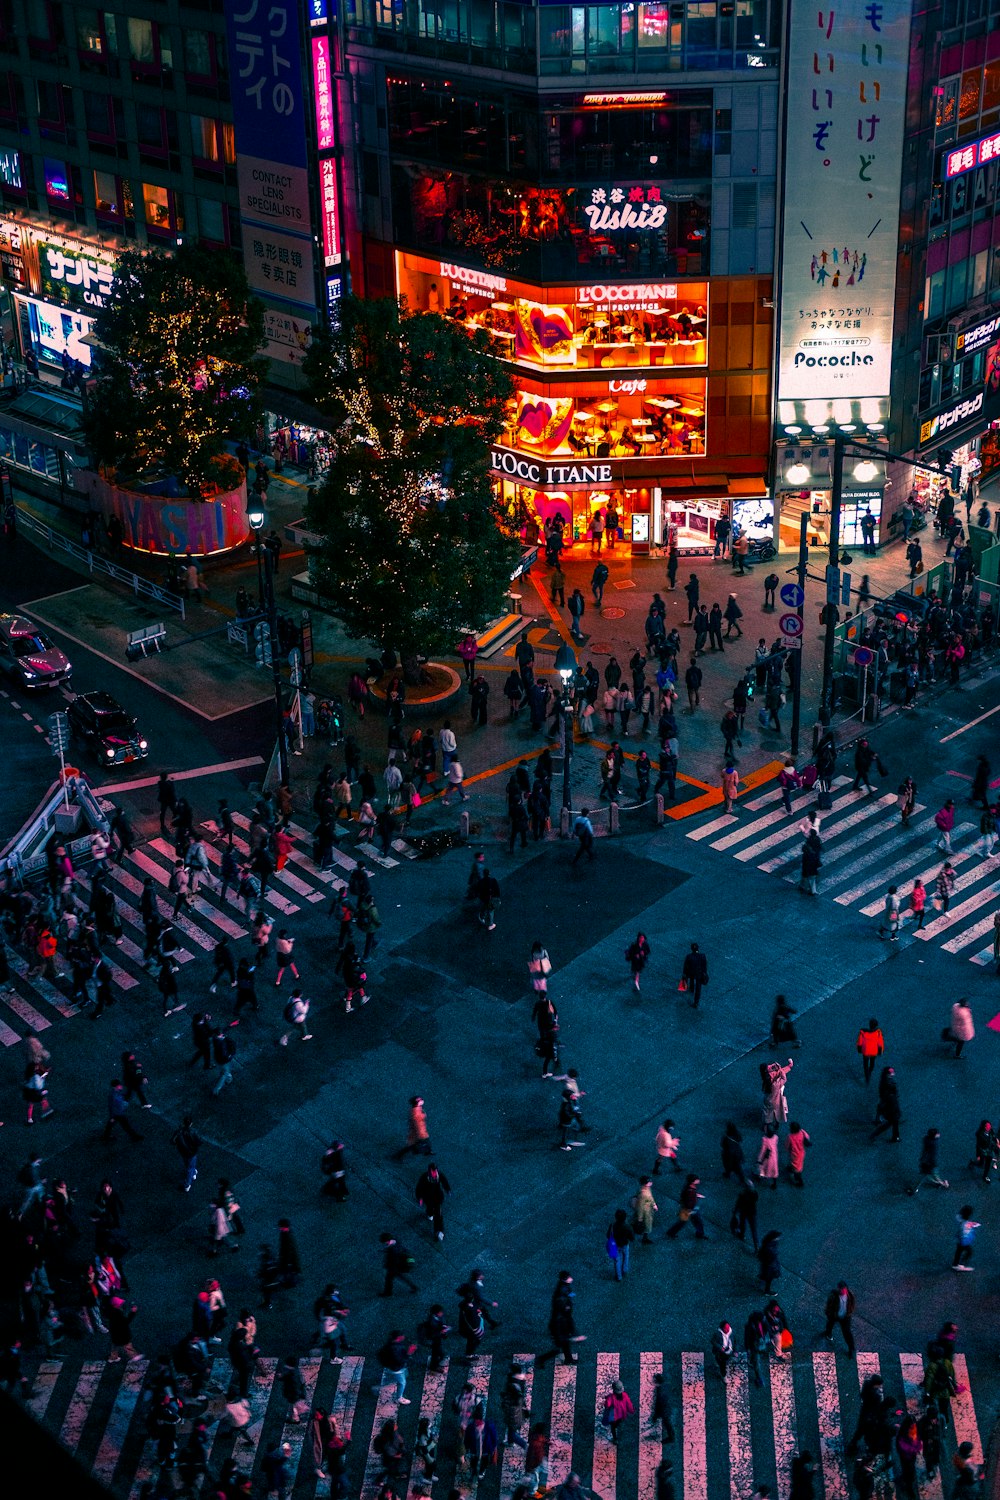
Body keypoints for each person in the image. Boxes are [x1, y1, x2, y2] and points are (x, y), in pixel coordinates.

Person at [907, 1127, 949, 1194]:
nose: (939, 1134)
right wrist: (934, 1164)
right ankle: (943, 1184)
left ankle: (939, 1183)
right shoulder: (934, 1143)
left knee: (927, 1175)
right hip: (930, 1163)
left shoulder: (926, 1139)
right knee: (930, 1175)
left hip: (925, 1161)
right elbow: (933, 1155)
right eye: (937, 1133)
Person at [665, 1174, 706, 1240]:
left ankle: (671, 1232)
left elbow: (685, 1197)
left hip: (688, 1208)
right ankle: (699, 1234)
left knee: (690, 1221)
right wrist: (690, 1210)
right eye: (697, 1180)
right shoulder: (690, 1190)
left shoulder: (689, 1187)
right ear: (693, 1181)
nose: (699, 1180)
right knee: (691, 1221)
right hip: (689, 1209)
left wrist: (696, 1195)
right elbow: (689, 1201)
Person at [822, 1281, 856, 1357]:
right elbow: (829, 1305)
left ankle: (852, 1348)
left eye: (844, 1289)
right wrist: (828, 1313)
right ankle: (828, 1333)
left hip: (845, 1317)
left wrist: (850, 1312)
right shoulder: (833, 1296)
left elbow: (852, 1304)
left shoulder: (850, 1295)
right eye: (841, 1289)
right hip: (835, 1315)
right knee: (830, 1323)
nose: (842, 1291)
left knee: (847, 1333)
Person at [856, 1018, 884, 1083]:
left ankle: (867, 1078)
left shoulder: (863, 1032)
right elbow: (880, 1043)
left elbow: (860, 1042)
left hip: (865, 1051)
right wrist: (880, 1052)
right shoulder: (878, 1032)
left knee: (865, 1065)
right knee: (872, 1063)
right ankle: (870, 1072)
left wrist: (859, 1050)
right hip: (874, 1052)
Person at [681, 942, 708, 1007]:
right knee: (698, 988)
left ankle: (692, 988)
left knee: (692, 978)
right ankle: (696, 1002)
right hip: (699, 973)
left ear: (691, 949)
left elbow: (686, 966)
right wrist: (705, 973)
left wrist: (684, 973)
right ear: (698, 948)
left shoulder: (689, 956)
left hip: (691, 972)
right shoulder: (702, 956)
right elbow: (704, 966)